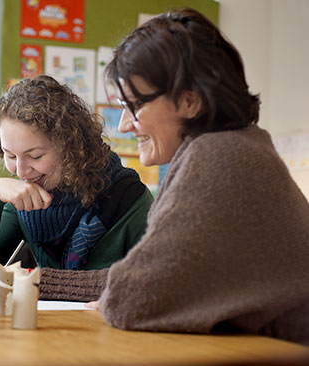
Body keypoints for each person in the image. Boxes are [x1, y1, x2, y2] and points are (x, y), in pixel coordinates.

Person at [88, 8, 309, 344]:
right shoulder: (238, 144)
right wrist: (43, 281)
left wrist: (112, 295)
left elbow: (131, 300)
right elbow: (144, 276)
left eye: (133, 104)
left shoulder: (218, 156)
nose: (123, 124)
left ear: (190, 101)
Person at [0, 75, 154, 301]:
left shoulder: (130, 199)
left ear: (70, 146)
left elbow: (154, 282)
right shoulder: (25, 199)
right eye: (10, 155)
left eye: (35, 156)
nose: (20, 171)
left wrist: (41, 282)